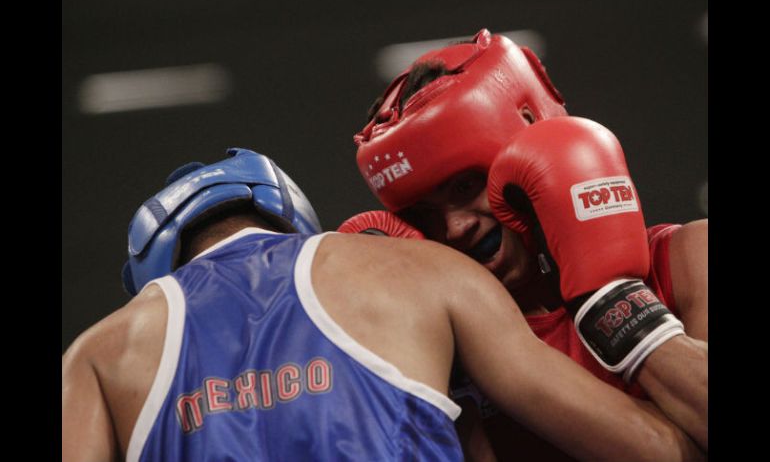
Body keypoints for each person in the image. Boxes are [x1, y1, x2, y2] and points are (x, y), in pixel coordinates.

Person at [62, 147, 705, 462]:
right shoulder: (421, 273)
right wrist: (615, 301)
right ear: (293, 219)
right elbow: (661, 452)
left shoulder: (99, 354)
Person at [348, 28, 707, 459]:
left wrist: (612, 299)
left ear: (534, 149)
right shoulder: (446, 342)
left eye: (466, 185)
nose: (455, 228)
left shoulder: (688, 258)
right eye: (424, 216)